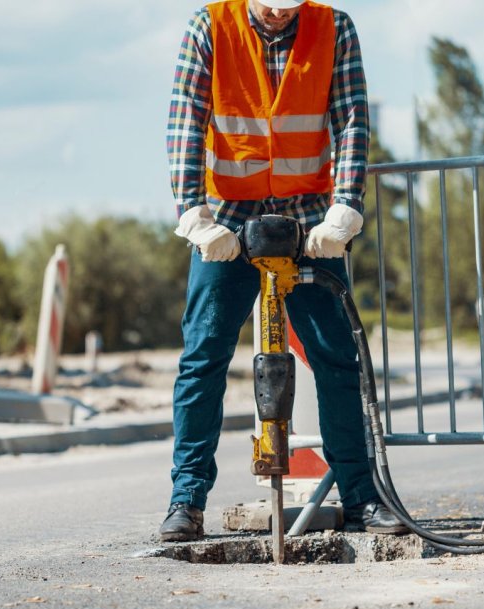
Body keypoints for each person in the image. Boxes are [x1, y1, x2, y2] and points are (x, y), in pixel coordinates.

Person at [162, 0, 407, 541]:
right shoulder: (211, 26)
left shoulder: (333, 27)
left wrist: (346, 204)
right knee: (203, 359)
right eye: (270, 7)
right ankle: (186, 502)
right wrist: (194, 215)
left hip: (309, 219)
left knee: (338, 360)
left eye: (288, 7)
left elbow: (350, 120)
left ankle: (364, 499)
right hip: (227, 217)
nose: (278, 15)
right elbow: (186, 119)